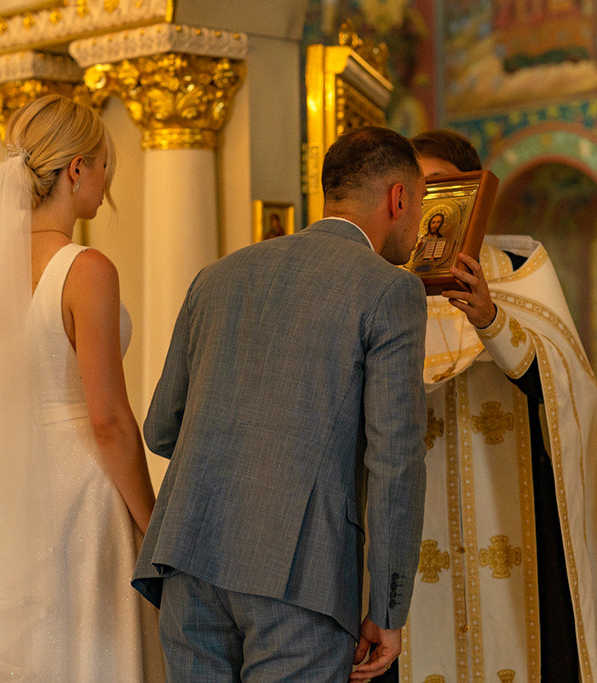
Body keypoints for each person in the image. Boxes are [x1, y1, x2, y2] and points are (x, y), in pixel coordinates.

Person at [134, 126, 429, 682]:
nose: (415, 230)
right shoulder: (390, 290)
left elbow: (161, 429)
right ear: (398, 199)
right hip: (301, 574)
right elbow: (395, 462)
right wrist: (388, 612)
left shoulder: (217, 277)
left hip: (188, 555)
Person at [0, 94, 162, 682]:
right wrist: (154, 524)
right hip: (82, 497)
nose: (104, 181)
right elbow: (109, 421)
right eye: (104, 167)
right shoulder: (85, 270)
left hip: (6, 494)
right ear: (77, 169)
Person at [394, 130, 597, 681]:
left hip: (516, 515)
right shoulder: (383, 285)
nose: (428, 207)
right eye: (414, 192)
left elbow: (568, 388)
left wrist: (491, 320)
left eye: (440, 188)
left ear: (474, 192)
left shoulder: (519, 271)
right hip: (419, 513)